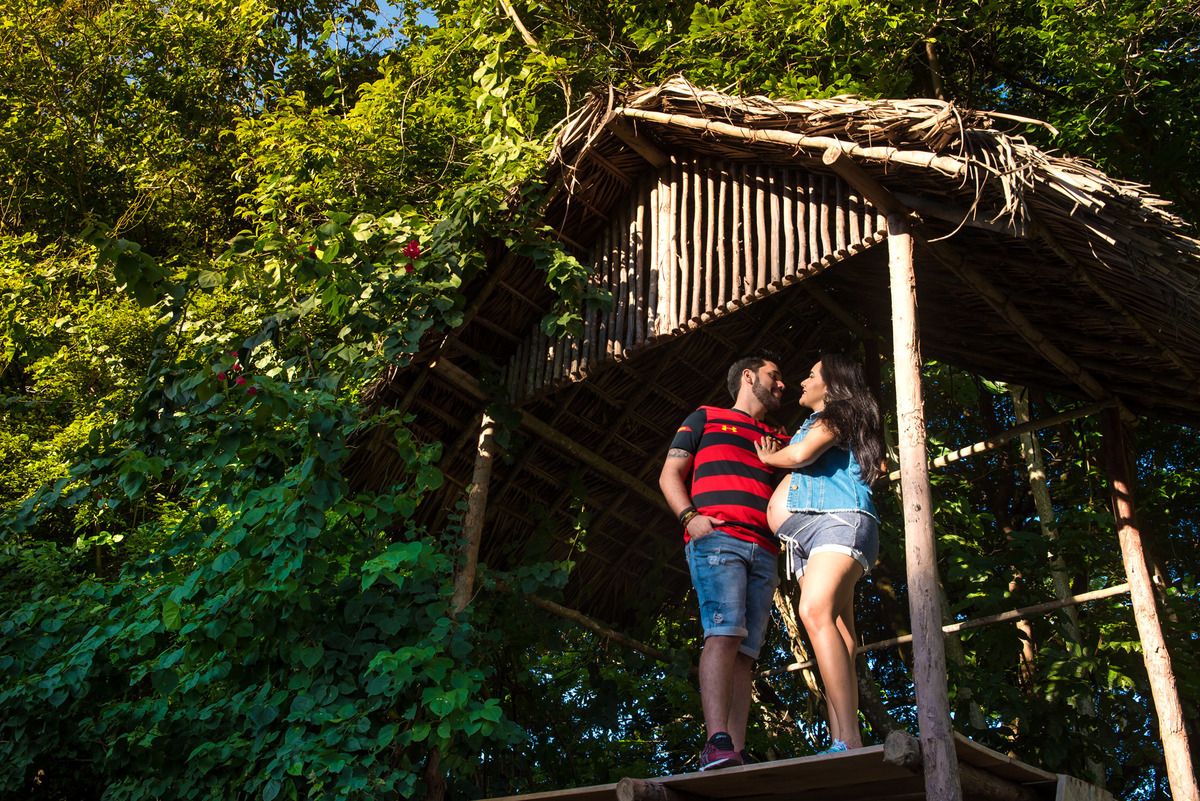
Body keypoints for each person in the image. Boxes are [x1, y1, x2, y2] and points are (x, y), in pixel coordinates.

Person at [658, 352, 786, 771]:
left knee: (746, 652)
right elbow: (669, 474)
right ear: (749, 377)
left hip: (765, 549)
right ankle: (716, 742)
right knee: (725, 633)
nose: (782, 384)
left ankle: (735, 748)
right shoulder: (705, 417)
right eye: (774, 376)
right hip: (720, 540)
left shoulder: (777, 436)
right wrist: (690, 517)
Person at [753, 353, 884, 753]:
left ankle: (847, 740)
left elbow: (800, 456)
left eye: (810, 375)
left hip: (836, 523)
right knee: (840, 633)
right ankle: (843, 738)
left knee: (813, 612)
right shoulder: (823, 421)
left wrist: (768, 457)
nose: (802, 382)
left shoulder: (839, 413)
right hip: (808, 536)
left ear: (831, 384)